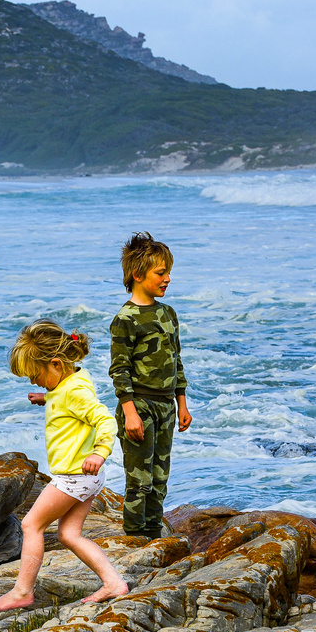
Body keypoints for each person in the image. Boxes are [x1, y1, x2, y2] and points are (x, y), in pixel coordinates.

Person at [0, 320, 129, 612]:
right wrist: (48, 397)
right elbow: (67, 395)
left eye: (34, 375)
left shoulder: (74, 393)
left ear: (54, 364)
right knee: (68, 535)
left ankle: (22, 591)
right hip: (88, 477)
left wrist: (100, 452)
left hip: (75, 475)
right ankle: (113, 583)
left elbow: (105, 420)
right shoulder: (70, 382)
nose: (32, 381)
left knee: (31, 524)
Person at [108, 231, 190, 539]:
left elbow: (176, 362)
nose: (168, 278)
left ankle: (154, 536)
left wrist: (181, 404)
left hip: (166, 406)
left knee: (159, 478)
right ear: (137, 275)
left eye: (169, 272)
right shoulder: (125, 319)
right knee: (139, 480)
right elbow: (119, 370)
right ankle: (133, 538)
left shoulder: (168, 313)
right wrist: (130, 413)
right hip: (138, 405)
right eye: (161, 273)